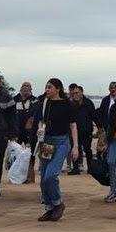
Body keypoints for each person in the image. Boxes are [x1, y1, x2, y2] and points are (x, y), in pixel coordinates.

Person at [35, 78, 78, 222]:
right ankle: (49, 208)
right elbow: (42, 120)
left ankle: (58, 203)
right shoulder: (45, 103)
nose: (47, 89)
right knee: (43, 179)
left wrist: (75, 146)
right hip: (46, 142)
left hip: (61, 143)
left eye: (50, 87)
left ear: (58, 89)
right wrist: (40, 129)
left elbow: (73, 125)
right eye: (46, 87)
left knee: (51, 176)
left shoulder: (67, 104)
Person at [70, 85, 97, 174]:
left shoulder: (88, 103)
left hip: (86, 130)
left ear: (82, 92)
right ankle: (75, 168)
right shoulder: (72, 104)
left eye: (77, 93)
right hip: (75, 131)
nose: (75, 95)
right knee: (74, 149)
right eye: (74, 93)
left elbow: (94, 116)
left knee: (87, 149)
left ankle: (91, 167)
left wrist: (99, 127)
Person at [14, 82, 37, 148]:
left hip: (30, 131)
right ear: (21, 88)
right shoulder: (14, 100)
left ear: (31, 89)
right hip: (17, 131)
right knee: (15, 152)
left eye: (28, 86)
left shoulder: (35, 101)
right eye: (24, 86)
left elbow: (36, 114)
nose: (26, 88)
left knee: (31, 153)